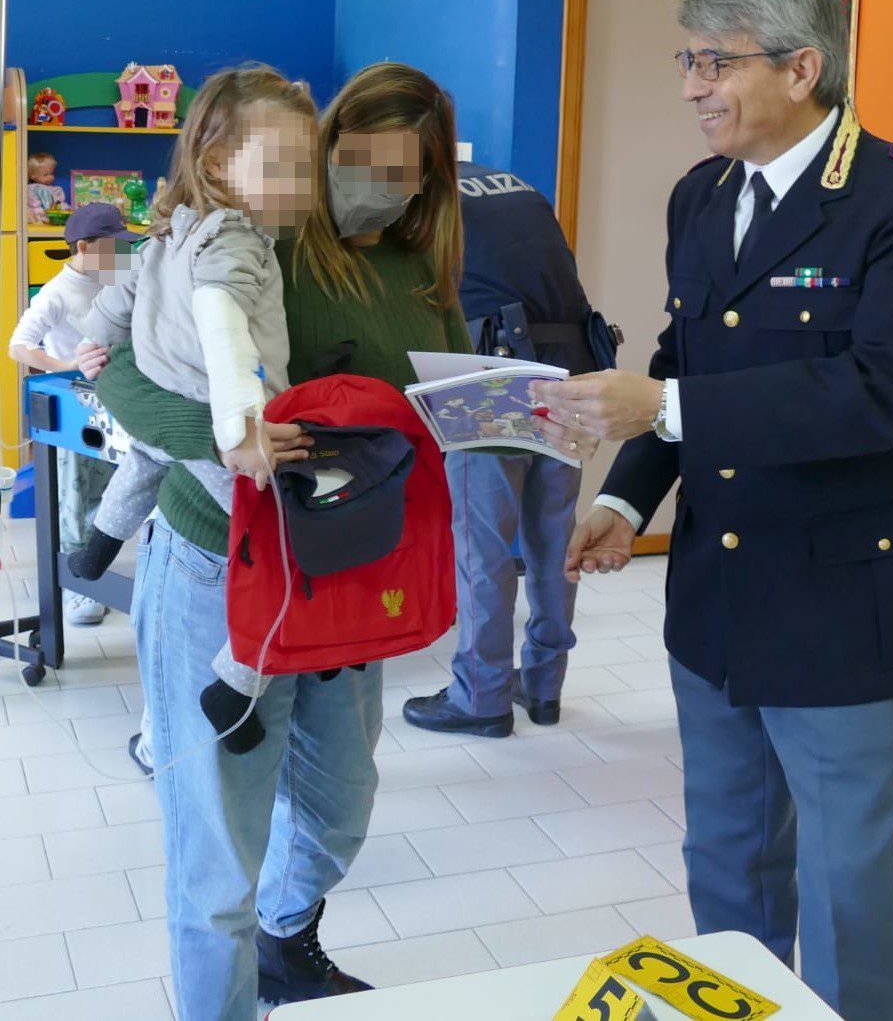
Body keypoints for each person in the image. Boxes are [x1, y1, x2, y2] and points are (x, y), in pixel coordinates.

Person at [531, 0, 893, 1021]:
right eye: (686, 60)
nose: (691, 86)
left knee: (844, 879)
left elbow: (880, 392)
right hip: (720, 594)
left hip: (843, 599)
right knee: (726, 853)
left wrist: (662, 411)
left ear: (801, 68)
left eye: (713, 63)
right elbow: (686, 359)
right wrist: (625, 503)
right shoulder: (704, 194)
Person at [90, 63, 588, 1021]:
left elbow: (435, 393)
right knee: (215, 865)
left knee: (336, 809)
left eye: (406, 173)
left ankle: (285, 939)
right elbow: (111, 369)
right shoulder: (257, 232)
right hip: (219, 567)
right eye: (358, 163)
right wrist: (226, 438)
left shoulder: (417, 264)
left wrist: (511, 411)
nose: (378, 186)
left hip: (345, 568)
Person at [72, 68, 321, 753]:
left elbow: (123, 293)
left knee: (142, 467)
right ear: (217, 163)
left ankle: (96, 549)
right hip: (217, 423)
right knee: (286, 553)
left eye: (307, 170)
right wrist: (240, 425)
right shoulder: (237, 238)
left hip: (162, 411)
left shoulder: (171, 227)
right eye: (282, 168)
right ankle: (235, 687)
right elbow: (220, 318)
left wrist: (94, 337)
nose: (300, 187)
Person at [402, 160, 601, 738]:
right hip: (571, 370)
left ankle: (480, 697)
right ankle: (543, 685)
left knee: (482, 546)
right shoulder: (517, 182)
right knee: (552, 538)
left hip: (487, 371)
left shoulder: (421, 196)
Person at [7, 202, 139, 625]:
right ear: (82, 246)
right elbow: (18, 345)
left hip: (114, 398)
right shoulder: (58, 292)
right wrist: (68, 364)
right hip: (76, 408)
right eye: (112, 248)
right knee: (75, 493)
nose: (122, 256)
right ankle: (78, 586)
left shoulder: (114, 280)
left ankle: (96, 566)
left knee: (113, 489)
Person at [25, 151, 67, 223]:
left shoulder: (55, 189)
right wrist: (38, 206)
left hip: (53, 210)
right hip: (39, 209)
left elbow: (59, 200)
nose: (50, 177)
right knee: (34, 210)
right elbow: (32, 200)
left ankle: (56, 219)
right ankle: (40, 219)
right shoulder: (31, 188)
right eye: (46, 175)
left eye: (51, 173)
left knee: (65, 207)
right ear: (34, 176)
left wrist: (57, 204)